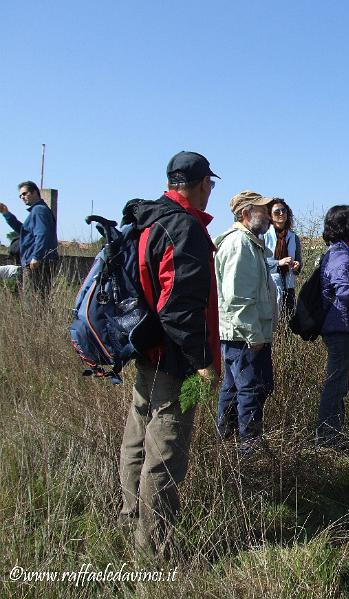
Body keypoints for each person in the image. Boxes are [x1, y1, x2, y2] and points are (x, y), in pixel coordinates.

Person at [118, 151, 221, 558]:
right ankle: (154, 551)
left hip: (145, 350)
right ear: (200, 184)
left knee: (137, 440)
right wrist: (203, 363)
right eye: (210, 184)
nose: (210, 192)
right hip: (176, 362)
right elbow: (178, 307)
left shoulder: (148, 218)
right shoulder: (185, 228)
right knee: (165, 454)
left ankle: (129, 522)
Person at [215, 191, 279, 453]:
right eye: (262, 210)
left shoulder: (250, 244)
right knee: (250, 391)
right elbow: (237, 297)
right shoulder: (239, 244)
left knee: (235, 389)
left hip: (245, 334)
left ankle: (226, 445)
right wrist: (253, 336)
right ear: (245, 214)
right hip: (244, 336)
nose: (267, 215)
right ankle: (248, 451)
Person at [316, 205, 349, 447]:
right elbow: (346, 291)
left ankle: (332, 433)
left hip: (336, 324)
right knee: (336, 382)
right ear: (347, 226)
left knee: (338, 380)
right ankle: (327, 436)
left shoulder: (334, 251)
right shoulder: (341, 255)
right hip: (339, 325)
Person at [0, 181, 59, 300]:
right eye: (20, 195)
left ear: (35, 192)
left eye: (25, 193)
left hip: (37, 263)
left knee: (32, 301)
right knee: (37, 300)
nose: (22, 197)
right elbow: (24, 232)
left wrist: (36, 257)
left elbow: (42, 234)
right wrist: (6, 214)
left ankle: (36, 319)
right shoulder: (38, 211)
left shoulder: (39, 210)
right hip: (38, 262)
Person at [263, 198, 302, 316]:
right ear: (270, 215)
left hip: (289, 286)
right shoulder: (263, 235)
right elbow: (259, 262)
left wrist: (297, 265)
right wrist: (278, 263)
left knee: (287, 323)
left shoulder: (293, 237)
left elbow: (299, 260)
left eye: (283, 210)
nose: (281, 214)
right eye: (277, 211)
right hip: (269, 286)